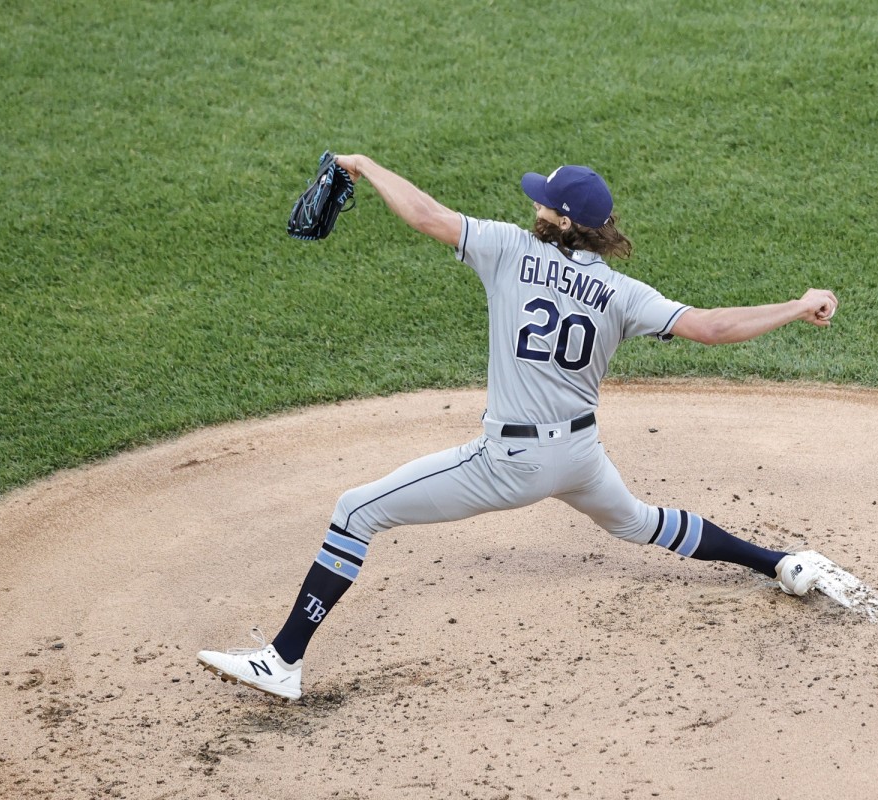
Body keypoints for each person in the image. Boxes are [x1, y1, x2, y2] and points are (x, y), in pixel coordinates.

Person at [197, 156, 838, 701]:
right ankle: (781, 563)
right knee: (642, 524)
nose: (534, 207)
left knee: (355, 511)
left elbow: (425, 215)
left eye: (544, 204)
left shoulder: (506, 248)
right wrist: (797, 304)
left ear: (560, 220)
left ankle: (282, 661)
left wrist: (364, 166)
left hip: (509, 463)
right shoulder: (622, 293)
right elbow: (713, 326)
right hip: (582, 457)